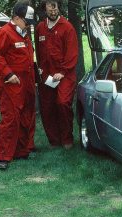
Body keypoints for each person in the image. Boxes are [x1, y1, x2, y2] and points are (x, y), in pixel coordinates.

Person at [0, 2, 36, 170]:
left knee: (25, 116)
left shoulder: (24, 34)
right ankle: (3, 156)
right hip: (10, 84)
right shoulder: (4, 33)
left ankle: (21, 150)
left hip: (26, 82)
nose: (28, 26)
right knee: (10, 119)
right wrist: (9, 74)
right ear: (16, 18)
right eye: (26, 22)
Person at [35, 0, 78, 149]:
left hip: (64, 74)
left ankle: (67, 139)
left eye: (55, 8)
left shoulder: (67, 27)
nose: (53, 11)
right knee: (47, 107)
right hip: (46, 76)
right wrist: (40, 70)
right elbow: (39, 52)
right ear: (45, 8)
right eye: (50, 8)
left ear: (58, 7)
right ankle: (54, 140)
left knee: (62, 103)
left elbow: (72, 53)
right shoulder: (40, 27)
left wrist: (63, 71)